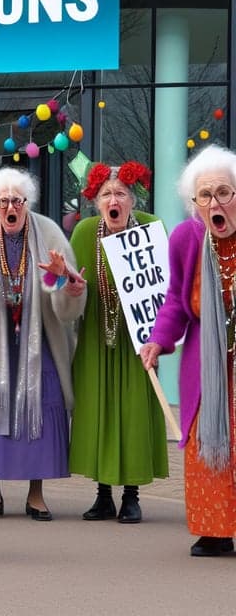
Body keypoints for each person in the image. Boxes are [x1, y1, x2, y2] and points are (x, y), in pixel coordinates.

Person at [0, 167, 86, 521]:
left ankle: (36, 494)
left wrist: (64, 285)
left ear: (26, 203)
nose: (10, 207)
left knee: (39, 407)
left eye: (17, 201)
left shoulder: (50, 232)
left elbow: (67, 309)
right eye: (3, 201)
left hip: (39, 339)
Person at [140, 144, 236, 556]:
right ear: (193, 203)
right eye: (205, 196)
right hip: (207, 365)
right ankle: (215, 530)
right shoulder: (186, 238)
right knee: (208, 445)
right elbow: (178, 301)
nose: (215, 203)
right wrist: (158, 340)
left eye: (224, 193)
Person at [69, 161, 168, 523]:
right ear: (96, 201)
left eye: (121, 194)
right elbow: (71, 292)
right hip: (96, 335)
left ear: (132, 199)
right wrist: (71, 289)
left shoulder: (152, 227)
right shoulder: (83, 233)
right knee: (97, 411)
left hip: (137, 341)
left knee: (133, 412)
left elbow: (163, 288)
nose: (114, 200)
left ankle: (131, 495)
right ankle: (102, 495)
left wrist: (159, 338)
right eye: (106, 194)